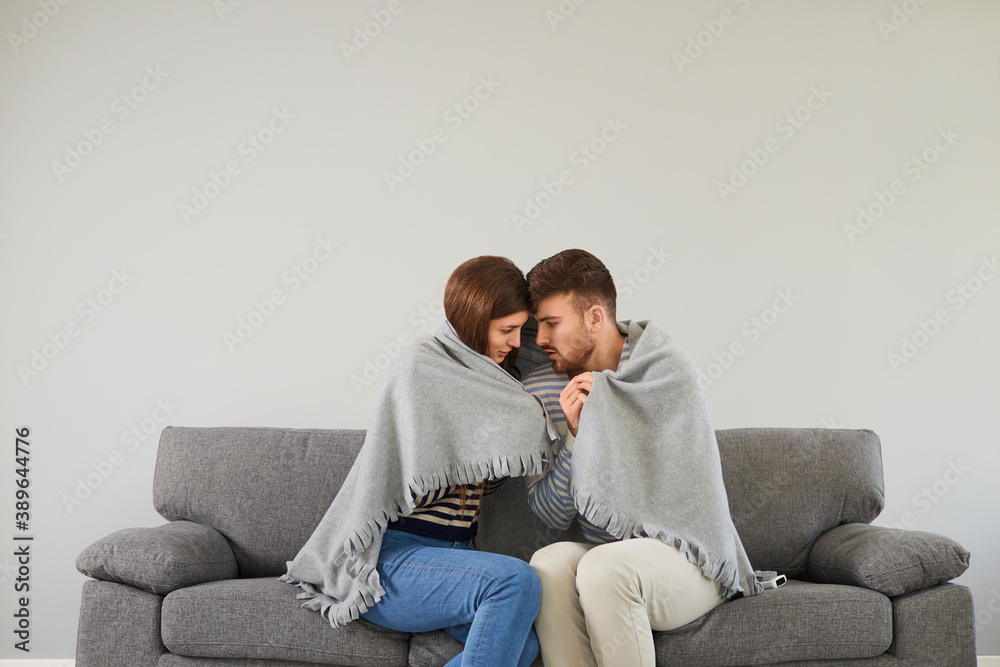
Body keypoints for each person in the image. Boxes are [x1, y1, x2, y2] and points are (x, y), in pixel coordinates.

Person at [281, 256, 554, 667]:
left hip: (456, 557)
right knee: (515, 582)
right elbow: (409, 479)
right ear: (475, 320)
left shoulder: (499, 382)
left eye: (520, 329)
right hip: (391, 561)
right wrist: (516, 420)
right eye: (506, 330)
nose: (515, 342)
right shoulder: (421, 366)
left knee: (526, 648)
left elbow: (488, 479)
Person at [521, 249, 762, 667]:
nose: (540, 338)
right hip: (608, 555)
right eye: (537, 324)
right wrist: (576, 436)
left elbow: (694, 494)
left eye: (551, 323)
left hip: (689, 558)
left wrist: (608, 414)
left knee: (603, 569)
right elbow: (551, 515)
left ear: (595, 318)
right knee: (547, 563)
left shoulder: (662, 369)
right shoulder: (544, 389)